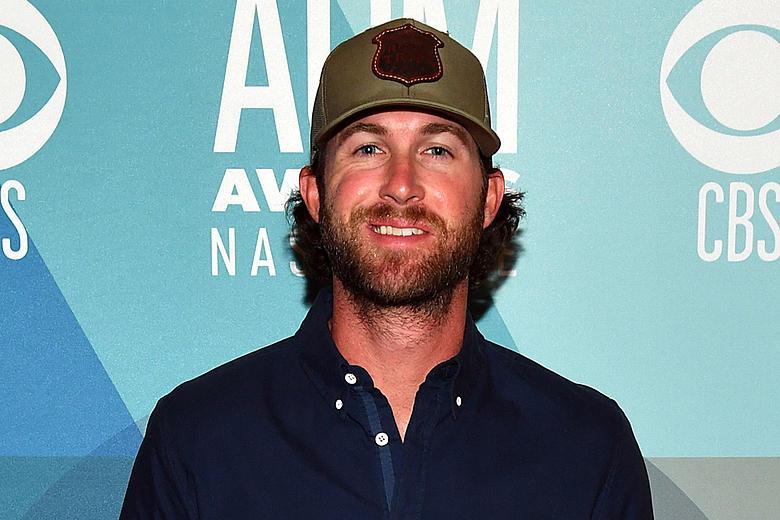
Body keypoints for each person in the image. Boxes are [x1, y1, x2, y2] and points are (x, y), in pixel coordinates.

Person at [120, 18, 653, 519]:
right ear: (316, 193)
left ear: (489, 198)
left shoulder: (586, 447)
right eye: (369, 148)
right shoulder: (196, 439)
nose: (401, 185)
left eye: (437, 150)